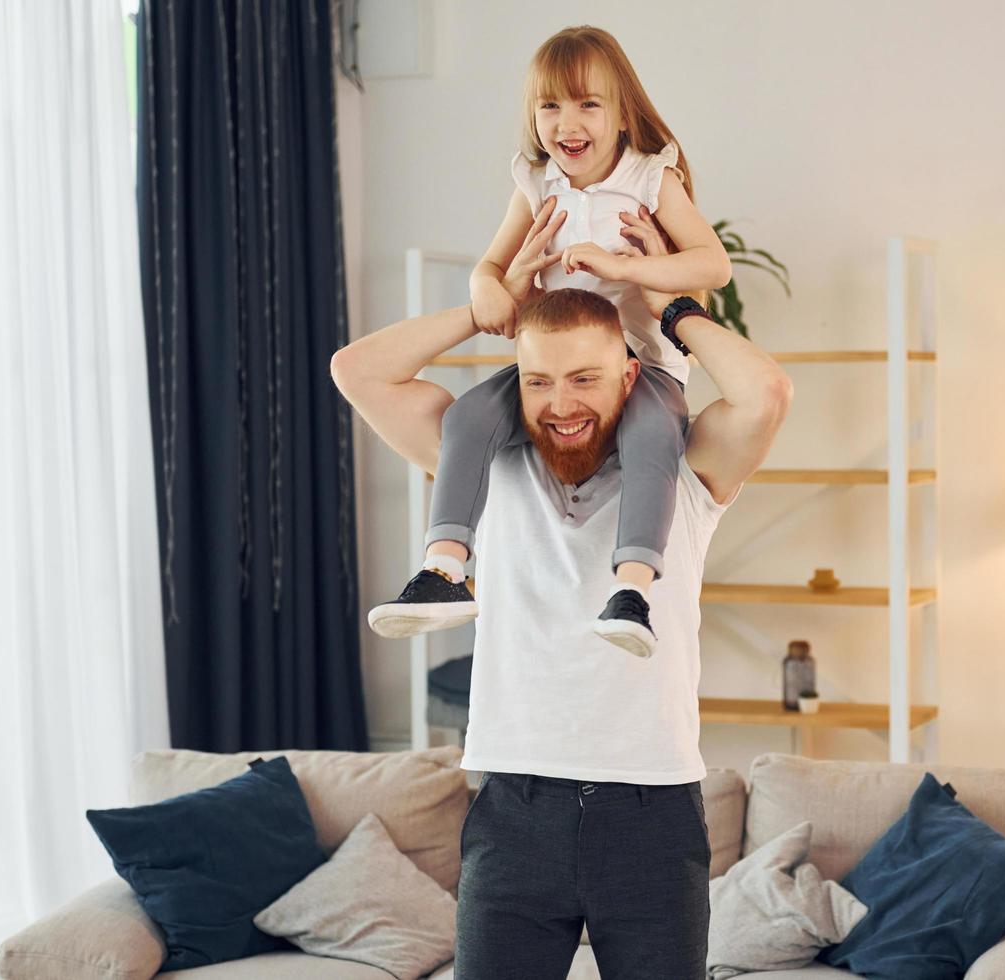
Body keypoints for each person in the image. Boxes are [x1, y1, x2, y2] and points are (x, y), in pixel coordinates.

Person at [330, 203, 792, 979]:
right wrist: (487, 305)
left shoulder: (687, 472)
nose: (562, 404)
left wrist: (668, 307)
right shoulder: (485, 468)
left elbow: (767, 392)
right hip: (514, 811)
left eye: (585, 378)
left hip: (651, 817)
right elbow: (357, 370)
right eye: (539, 381)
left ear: (630, 373)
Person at [367, 25, 732, 660]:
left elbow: (712, 265)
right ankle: (445, 566)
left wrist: (627, 269)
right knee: (469, 416)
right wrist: (488, 286)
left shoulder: (651, 178)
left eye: (588, 104)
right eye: (550, 105)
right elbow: (490, 267)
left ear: (623, 117)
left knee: (651, 439)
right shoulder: (536, 183)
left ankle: (632, 590)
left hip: (641, 367)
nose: (568, 121)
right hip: (552, 364)